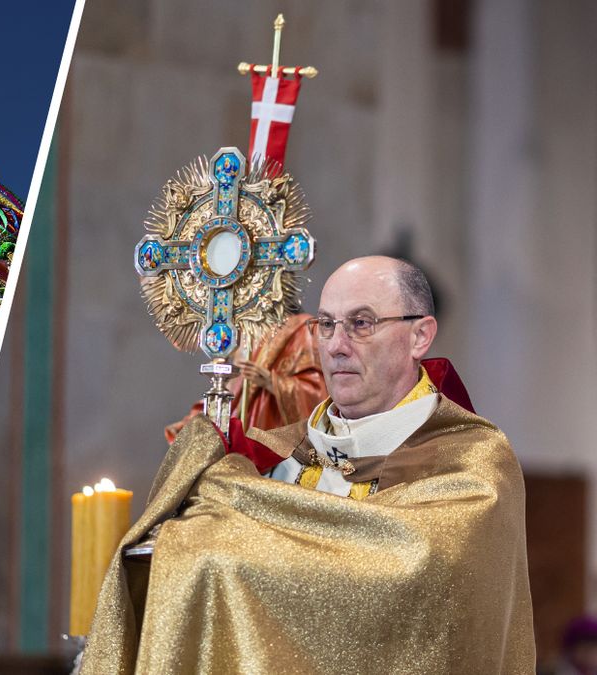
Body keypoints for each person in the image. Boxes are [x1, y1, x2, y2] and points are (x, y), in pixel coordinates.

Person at [82, 256, 535, 673]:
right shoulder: (267, 458)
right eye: (325, 324)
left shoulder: (472, 462)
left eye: (361, 323)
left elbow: (422, 572)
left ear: (420, 335)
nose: (336, 345)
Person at [164, 311, 326, 442]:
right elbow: (235, 391)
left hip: (274, 437)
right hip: (242, 433)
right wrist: (200, 418)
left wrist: (273, 382)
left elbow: (316, 393)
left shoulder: (300, 327)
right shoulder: (245, 334)